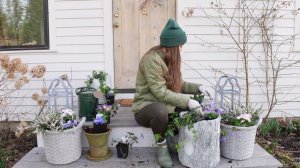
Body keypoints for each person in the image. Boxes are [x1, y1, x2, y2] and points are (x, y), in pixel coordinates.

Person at [132, 18, 210, 168]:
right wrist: (187, 101)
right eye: (180, 46)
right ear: (172, 46)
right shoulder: (152, 60)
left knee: (194, 107)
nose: (182, 49)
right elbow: (160, 93)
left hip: (164, 102)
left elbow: (179, 84)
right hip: (145, 107)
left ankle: (171, 138)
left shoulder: (169, 59)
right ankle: (161, 145)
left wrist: (198, 88)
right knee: (161, 111)